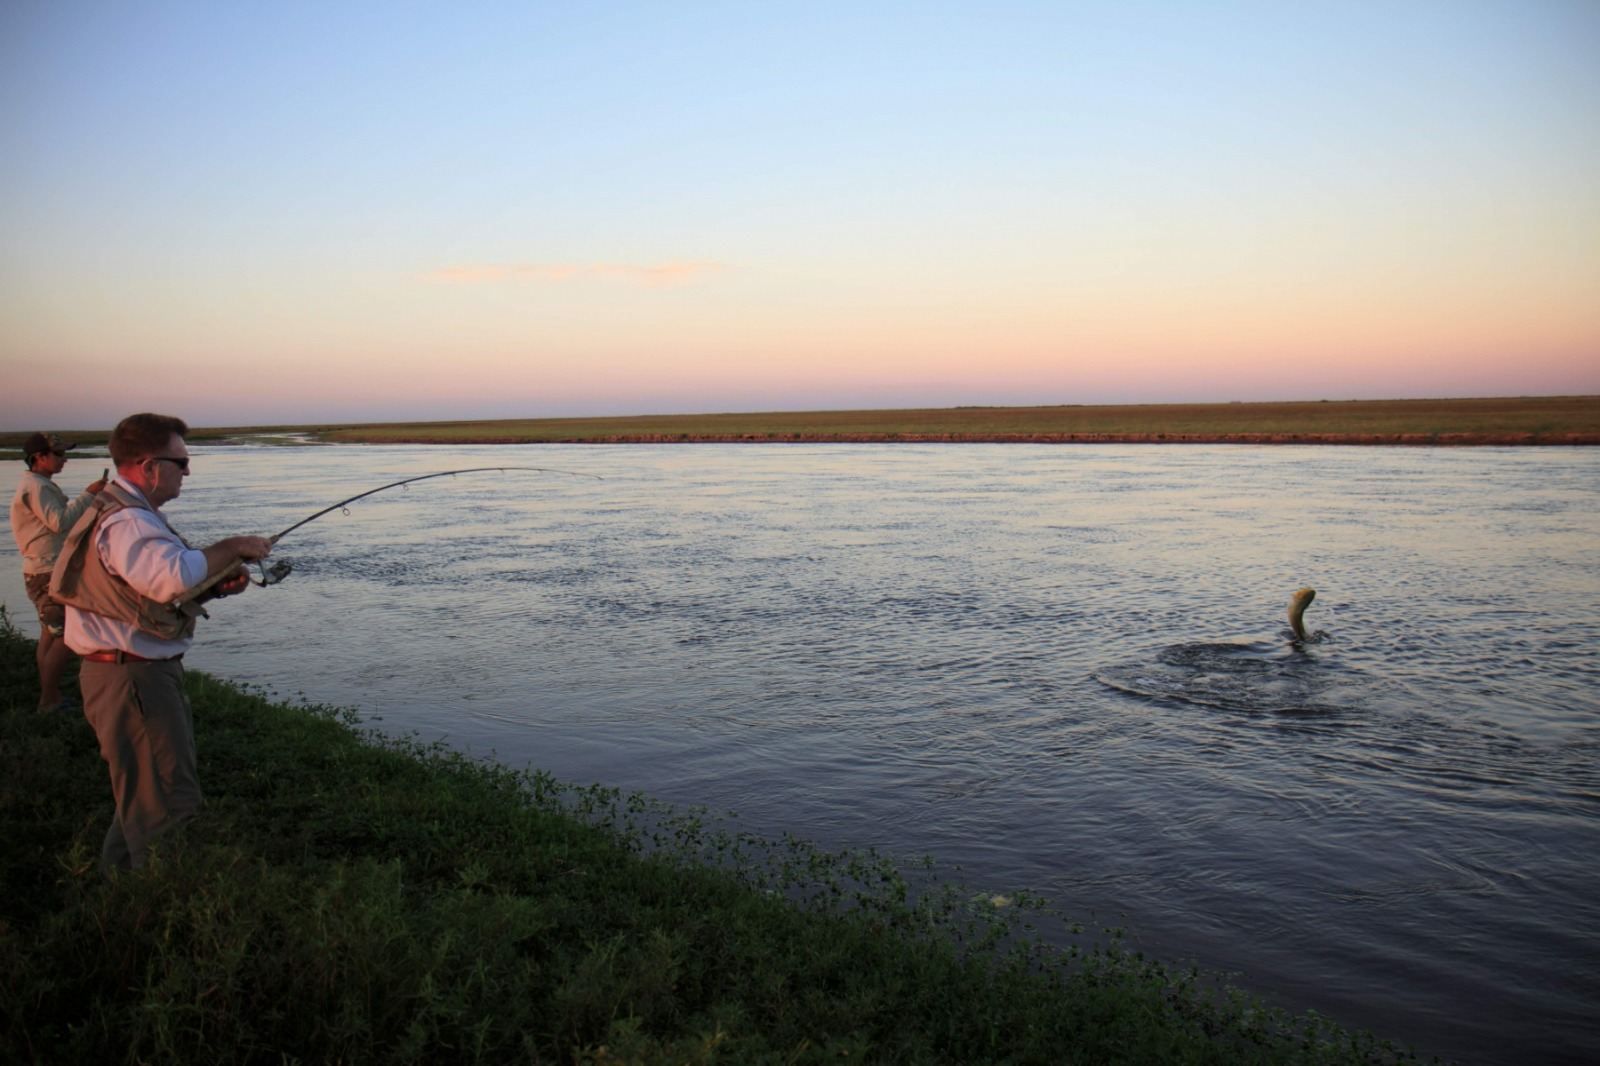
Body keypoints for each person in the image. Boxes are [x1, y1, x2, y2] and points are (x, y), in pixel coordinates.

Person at [51, 413, 273, 874]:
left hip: (126, 672)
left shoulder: (117, 511)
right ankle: (156, 915)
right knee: (169, 799)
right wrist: (233, 545)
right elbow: (171, 578)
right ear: (149, 466)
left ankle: (116, 898)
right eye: (181, 462)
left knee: (141, 794)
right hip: (132, 678)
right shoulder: (129, 522)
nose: (187, 472)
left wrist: (212, 586)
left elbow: (142, 590)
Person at [9, 431, 108, 710]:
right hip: (49, 572)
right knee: (66, 634)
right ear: (38, 458)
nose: (65, 459)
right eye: (59, 454)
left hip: (41, 570)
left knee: (49, 634)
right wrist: (89, 495)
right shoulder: (38, 488)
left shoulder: (37, 485)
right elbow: (59, 522)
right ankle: (49, 700)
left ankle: (49, 695)